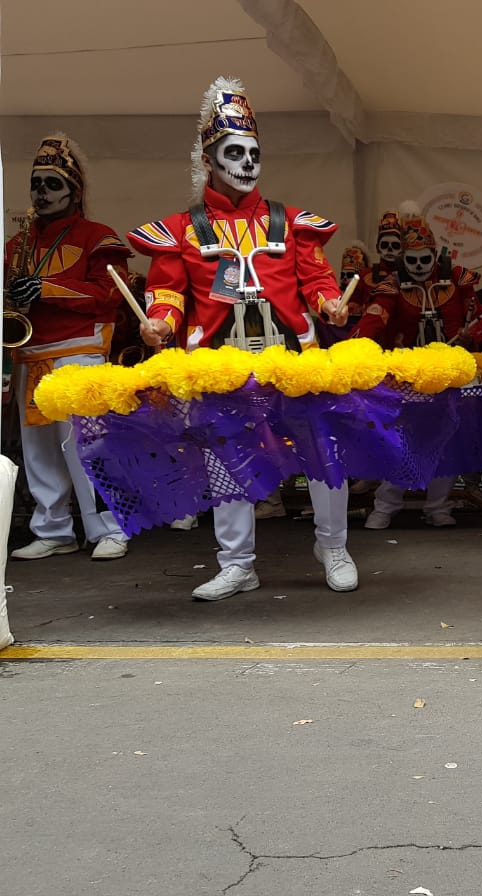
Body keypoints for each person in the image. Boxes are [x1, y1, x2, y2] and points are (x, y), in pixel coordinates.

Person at [130, 77, 358, 601]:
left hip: (294, 358)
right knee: (228, 459)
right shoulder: (181, 230)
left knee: (324, 452)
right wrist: (160, 321)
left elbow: (319, 280)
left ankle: (334, 545)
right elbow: (166, 290)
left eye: (255, 153)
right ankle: (237, 564)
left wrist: (329, 303)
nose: (249, 163)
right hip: (220, 363)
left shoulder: (292, 222)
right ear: (209, 161)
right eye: (236, 152)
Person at [4, 134, 131, 561]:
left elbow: (109, 294)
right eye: (36, 184)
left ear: (74, 191)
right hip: (29, 352)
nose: (41, 193)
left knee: (86, 447)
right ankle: (53, 529)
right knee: (38, 448)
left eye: (52, 184)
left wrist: (44, 288)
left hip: (79, 351)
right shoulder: (16, 246)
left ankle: (110, 528)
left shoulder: (99, 237)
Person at [355, 203, 482, 529]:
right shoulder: (391, 285)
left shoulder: (456, 278)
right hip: (409, 375)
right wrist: (359, 346)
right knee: (405, 441)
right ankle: (386, 506)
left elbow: (479, 313)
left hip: (453, 371)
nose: (418, 266)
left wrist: (471, 333)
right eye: (411, 261)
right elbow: (377, 316)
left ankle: (438, 506)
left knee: (448, 441)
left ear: (435, 255)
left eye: (424, 260)